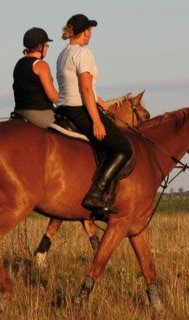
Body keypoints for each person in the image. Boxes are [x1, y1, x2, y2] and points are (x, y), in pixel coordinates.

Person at [55, 13, 132, 218]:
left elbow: (80, 87)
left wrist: (101, 102)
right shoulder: (84, 53)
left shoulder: (63, 54)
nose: (91, 34)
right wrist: (97, 121)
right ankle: (96, 193)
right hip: (79, 108)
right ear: (85, 32)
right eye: (90, 30)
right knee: (123, 148)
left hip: (63, 108)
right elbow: (85, 89)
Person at [12, 27, 60, 128]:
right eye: (46, 45)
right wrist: (70, 103)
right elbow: (53, 95)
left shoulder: (19, 63)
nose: (47, 48)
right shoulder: (41, 64)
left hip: (18, 111)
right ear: (39, 47)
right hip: (38, 112)